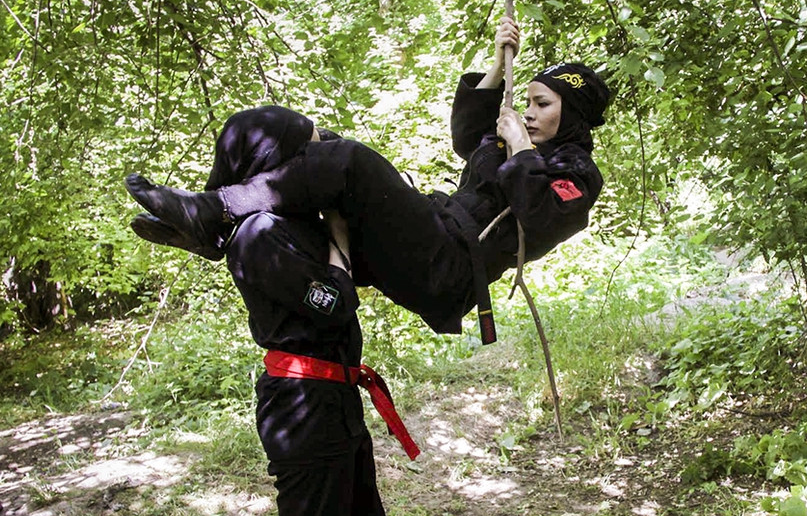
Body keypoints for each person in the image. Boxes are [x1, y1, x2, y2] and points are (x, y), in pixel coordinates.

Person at [133, 108, 457, 516]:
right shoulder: (260, 233)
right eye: (306, 149)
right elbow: (332, 305)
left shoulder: (293, 221)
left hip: (333, 397)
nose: (317, 157)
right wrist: (337, 243)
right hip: (302, 403)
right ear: (271, 162)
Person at [127, 18, 611, 339]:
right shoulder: (513, 145)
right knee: (273, 130)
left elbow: (545, 214)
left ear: (573, 116)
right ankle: (215, 223)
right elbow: (468, 136)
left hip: (448, 268)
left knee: (350, 162)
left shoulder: (575, 171)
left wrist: (522, 148)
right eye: (525, 102)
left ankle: (215, 212)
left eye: (541, 105)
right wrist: (497, 61)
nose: (527, 114)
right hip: (423, 235)